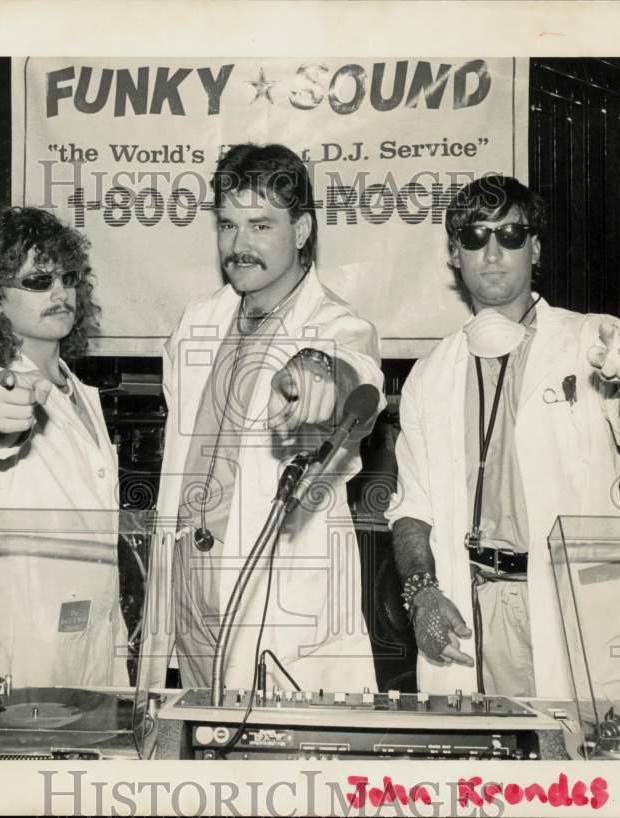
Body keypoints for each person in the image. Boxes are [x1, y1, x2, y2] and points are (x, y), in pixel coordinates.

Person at [385, 175, 620, 700]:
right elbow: (411, 506)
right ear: (455, 255)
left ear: (535, 247)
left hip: (576, 602)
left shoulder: (592, 339)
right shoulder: (430, 373)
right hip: (472, 606)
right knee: (475, 770)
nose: (492, 252)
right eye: (474, 236)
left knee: (587, 767)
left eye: (510, 235)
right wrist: (420, 594)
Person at [140, 143, 385, 694]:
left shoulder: (336, 325)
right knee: (194, 756)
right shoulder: (197, 321)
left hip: (274, 594)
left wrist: (320, 371)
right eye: (227, 225)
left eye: (259, 225)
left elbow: (359, 380)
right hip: (187, 588)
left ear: (301, 230)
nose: (238, 245)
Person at [0, 206, 127, 688]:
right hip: (15, 640)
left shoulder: (82, 394)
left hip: (96, 638)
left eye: (68, 277)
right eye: (39, 280)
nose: (61, 292)